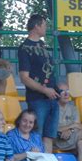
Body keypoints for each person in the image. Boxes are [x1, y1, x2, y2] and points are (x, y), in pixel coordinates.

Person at [18, 14, 60, 153]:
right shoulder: (24, 48)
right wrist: (44, 90)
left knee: (49, 135)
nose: (46, 28)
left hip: (52, 96)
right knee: (37, 134)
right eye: (44, 25)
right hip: (38, 99)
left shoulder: (42, 45)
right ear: (36, 26)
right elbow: (24, 77)